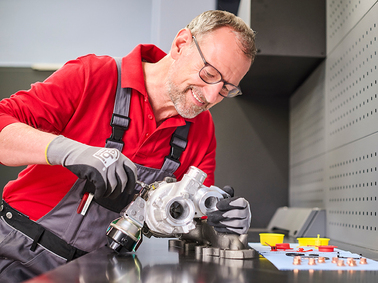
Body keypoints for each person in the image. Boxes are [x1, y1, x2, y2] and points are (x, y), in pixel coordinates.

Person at [0, 9, 256, 280]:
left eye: (227, 88)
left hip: (97, 270)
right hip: (16, 249)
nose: (211, 95)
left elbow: (191, 220)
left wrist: (222, 226)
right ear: (181, 44)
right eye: (209, 74)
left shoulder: (202, 131)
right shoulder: (94, 75)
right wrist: (70, 151)